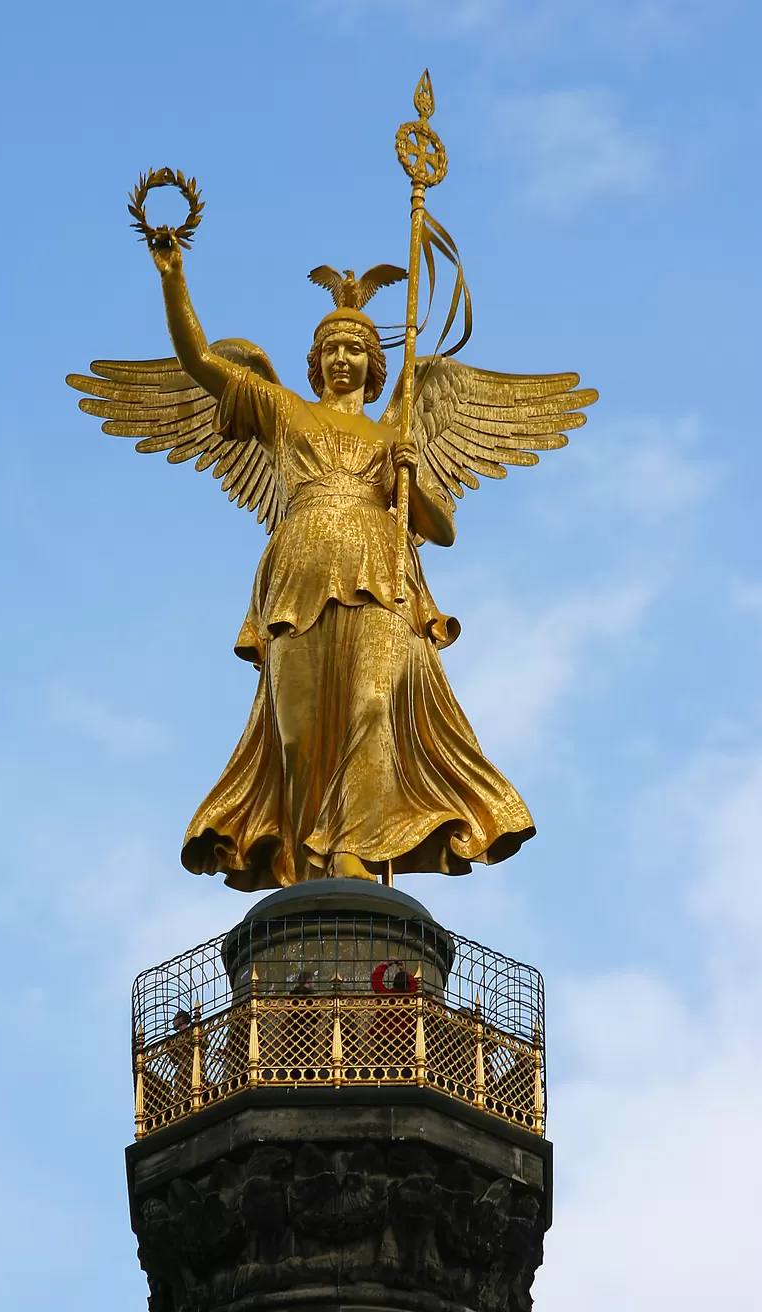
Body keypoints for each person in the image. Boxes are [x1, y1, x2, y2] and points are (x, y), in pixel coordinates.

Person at [145, 239, 536, 891]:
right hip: (300, 569)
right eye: (331, 348)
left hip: (382, 574)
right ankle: (306, 864)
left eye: (355, 347)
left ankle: (353, 853)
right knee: (296, 735)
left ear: (373, 361)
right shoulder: (282, 409)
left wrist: (411, 473)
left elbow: (439, 530)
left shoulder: (395, 432)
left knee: (372, 710)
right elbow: (198, 361)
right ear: (315, 361)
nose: (342, 357)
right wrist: (173, 275)